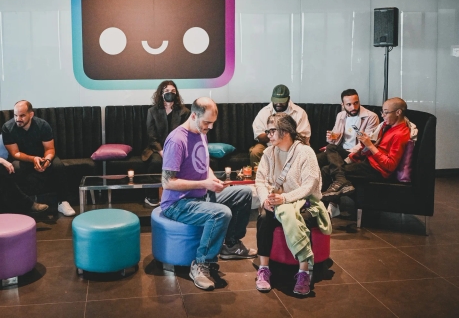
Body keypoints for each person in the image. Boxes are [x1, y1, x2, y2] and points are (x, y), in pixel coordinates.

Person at [161, 97, 257, 291]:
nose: (210, 127)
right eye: (207, 122)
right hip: (177, 204)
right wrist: (203, 183)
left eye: (212, 123)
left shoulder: (201, 132)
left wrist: (212, 180)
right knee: (221, 212)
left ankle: (230, 245)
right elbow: (167, 182)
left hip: (200, 194)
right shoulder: (177, 140)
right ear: (194, 115)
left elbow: (204, 166)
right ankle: (201, 263)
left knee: (244, 193)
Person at [254, 113, 331, 296]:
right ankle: (264, 269)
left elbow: (309, 185)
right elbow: (260, 181)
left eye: (272, 131)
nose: (269, 135)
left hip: (305, 202)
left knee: (300, 219)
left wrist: (285, 199)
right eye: (268, 131)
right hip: (278, 202)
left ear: (286, 132)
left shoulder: (305, 152)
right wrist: (266, 199)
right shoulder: (268, 152)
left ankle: (304, 272)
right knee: (264, 218)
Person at [321, 97, 416, 200]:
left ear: (398, 112)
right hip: (367, 159)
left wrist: (370, 145)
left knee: (327, 170)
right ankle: (341, 181)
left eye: (386, 112)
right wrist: (365, 142)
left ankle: (323, 208)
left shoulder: (400, 134)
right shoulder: (387, 126)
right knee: (331, 148)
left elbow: (390, 165)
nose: (383, 116)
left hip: (376, 169)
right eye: (382, 112)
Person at [2, 100, 77, 217]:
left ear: (31, 114)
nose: (18, 119)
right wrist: (33, 159)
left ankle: (63, 202)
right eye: (15, 115)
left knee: (58, 166)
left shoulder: (42, 125)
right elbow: (14, 153)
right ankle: (23, 205)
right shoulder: (7, 127)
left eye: (22, 115)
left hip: (43, 156)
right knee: (15, 168)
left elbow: (50, 149)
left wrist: (47, 160)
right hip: (22, 158)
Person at [316, 89, 379, 204]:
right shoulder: (341, 115)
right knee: (314, 160)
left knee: (328, 161)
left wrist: (349, 152)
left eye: (356, 103)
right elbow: (334, 140)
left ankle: (338, 184)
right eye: (349, 104)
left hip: (356, 153)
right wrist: (331, 138)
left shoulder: (371, 117)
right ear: (343, 105)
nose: (353, 107)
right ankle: (310, 199)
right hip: (338, 151)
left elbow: (368, 143)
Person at [141, 80, 190, 206]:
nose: (170, 93)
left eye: (173, 91)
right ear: (161, 93)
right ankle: (151, 197)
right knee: (156, 162)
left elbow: (185, 134)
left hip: (178, 148)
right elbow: (151, 136)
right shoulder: (152, 111)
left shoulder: (184, 112)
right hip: (157, 148)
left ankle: (179, 196)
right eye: (167, 91)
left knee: (182, 161)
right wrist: (162, 152)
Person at [250, 84, 311, 166]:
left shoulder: (299, 113)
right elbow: (259, 136)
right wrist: (278, 134)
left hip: (292, 147)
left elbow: (303, 137)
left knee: (302, 151)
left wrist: (279, 137)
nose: (278, 103)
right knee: (255, 151)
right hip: (269, 146)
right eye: (275, 100)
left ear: (288, 99)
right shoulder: (264, 112)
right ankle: (259, 177)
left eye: (282, 101)